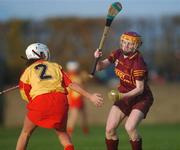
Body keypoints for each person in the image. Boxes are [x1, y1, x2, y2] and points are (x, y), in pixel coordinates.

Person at [16, 43, 103, 150]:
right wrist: (90, 96)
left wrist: (33, 101)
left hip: (40, 102)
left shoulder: (27, 71)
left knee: (25, 133)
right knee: (62, 133)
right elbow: (71, 84)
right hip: (60, 101)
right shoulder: (55, 66)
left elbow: (24, 91)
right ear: (42, 54)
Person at [93, 31, 154, 150]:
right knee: (109, 130)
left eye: (130, 44)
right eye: (124, 42)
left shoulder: (138, 63)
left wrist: (121, 96)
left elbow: (140, 89)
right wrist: (96, 58)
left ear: (136, 46)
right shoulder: (118, 53)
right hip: (124, 94)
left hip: (141, 98)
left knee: (130, 127)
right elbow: (99, 67)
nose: (126, 45)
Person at [66, 61, 89, 136]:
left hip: (80, 98)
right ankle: (69, 132)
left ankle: (85, 131)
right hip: (74, 98)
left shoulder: (79, 75)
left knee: (83, 115)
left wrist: (86, 76)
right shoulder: (69, 75)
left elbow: (84, 81)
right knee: (74, 115)